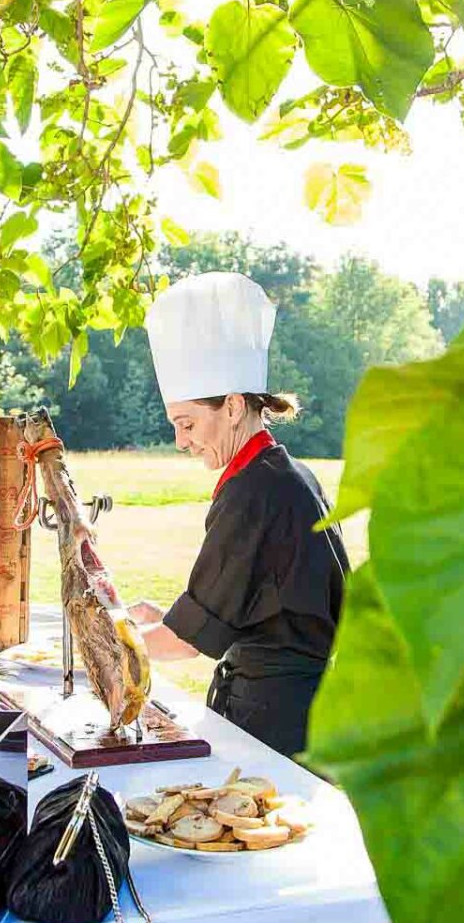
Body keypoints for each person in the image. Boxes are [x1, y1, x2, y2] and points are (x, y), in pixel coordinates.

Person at [126, 272, 348, 758]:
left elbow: (186, 644)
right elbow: (260, 611)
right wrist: (162, 619)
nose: (181, 441)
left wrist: (104, 646)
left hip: (275, 725)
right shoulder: (284, 474)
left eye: (187, 424)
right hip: (298, 711)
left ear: (231, 407)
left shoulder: (255, 492)